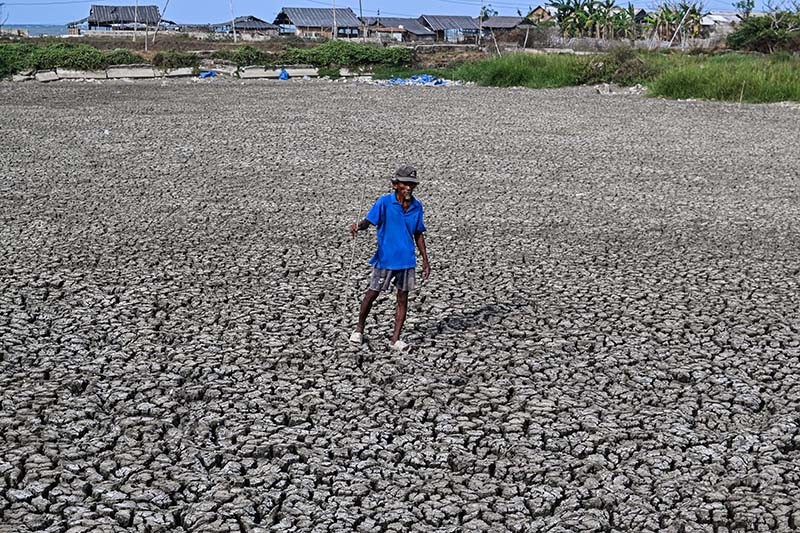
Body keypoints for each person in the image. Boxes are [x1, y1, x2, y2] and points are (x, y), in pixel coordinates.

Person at [349, 165, 431, 351]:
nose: (408, 187)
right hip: (386, 259)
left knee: (402, 298)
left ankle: (395, 339)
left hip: (407, 260)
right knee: (372, 293)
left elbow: (418, 233)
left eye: (412, 184)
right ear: (395, 185)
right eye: (405, 183)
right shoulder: (384, 203)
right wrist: (358, 226)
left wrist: (425, 260)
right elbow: (369, 221)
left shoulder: (417, 207)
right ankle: (359, 330)